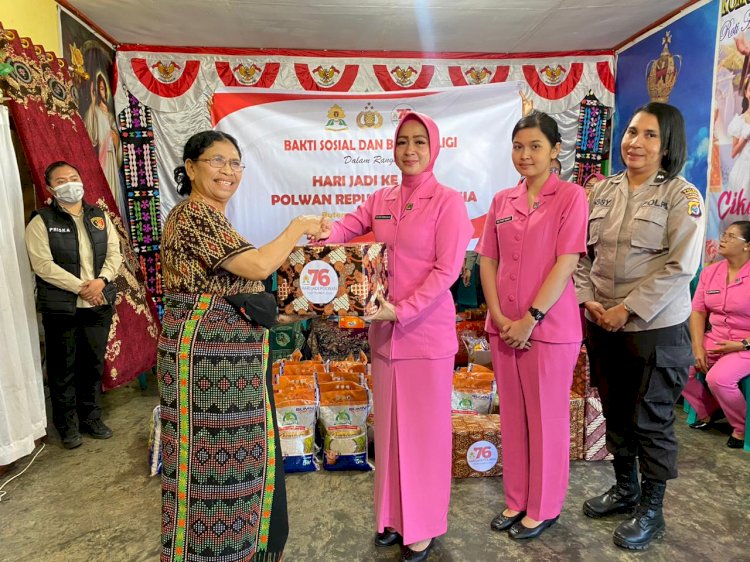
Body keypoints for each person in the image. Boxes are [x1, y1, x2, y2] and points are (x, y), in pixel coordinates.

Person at [158, 130, 323, 562]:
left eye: (235, 163)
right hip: (207, 372)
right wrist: (298, 227)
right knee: (210, 471)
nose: (228, 171)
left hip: (232, 367)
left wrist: (291, 311)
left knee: (242, 465)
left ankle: (240, 550)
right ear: (191, 168)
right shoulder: (192, 215)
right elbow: (259, 265)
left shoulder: (216, 220)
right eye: (217, 161)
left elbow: (238, 290)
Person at [315, 112, 472, 561]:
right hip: (384, 339)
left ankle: (422, 526)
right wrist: (319, 230)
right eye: (402, 141)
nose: (409, 150)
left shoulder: (448, 203)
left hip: (425, 337)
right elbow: (346, 229)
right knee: (389, 433)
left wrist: (401, 309)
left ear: (434, 147)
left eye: (419, 142)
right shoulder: (382, 197)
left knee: (424, 436)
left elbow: (447, 272)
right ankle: (392, 517)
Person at [574, 102, 706, 550]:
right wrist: (587, 300)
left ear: (667, 144)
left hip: (654, 329)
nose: (636, 142)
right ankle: (625, 489)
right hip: (602, 322)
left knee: (651, 420)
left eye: (649, 135)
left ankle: (652, 509)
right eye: (632, 132)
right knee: (614, 412)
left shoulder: (681, 196)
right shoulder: (602, 191)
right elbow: (581, 255)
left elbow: (680, 267)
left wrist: (626, 309)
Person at [476, 111, 588, 540]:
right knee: (514, 418)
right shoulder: (502, 200)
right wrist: (501, 316)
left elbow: (567, 262)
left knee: (546, 418)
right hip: (503, 327)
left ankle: (543, 507)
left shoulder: (571, 197)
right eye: (518, 146)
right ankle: (516, 497)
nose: (525, 154)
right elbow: (488, 259)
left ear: (556, 150)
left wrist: (530, 318)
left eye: (535, 146)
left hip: (549, 330)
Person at [25, 161, 122, 449]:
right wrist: (82, 287)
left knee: (91, 365)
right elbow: (43, 265)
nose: (70, 183)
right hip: (63, 307)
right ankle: (66, 425)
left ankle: (91, 418)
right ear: (50, 187)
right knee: (62, 367)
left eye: (74, 177)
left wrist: (101, 281)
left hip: (98, 303)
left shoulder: (99, 216)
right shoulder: (41, 221)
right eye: (62, 180)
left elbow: (114, 254)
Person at [683, 220, 750, 448]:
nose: (724, 239)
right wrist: (698, 346)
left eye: (731, 236)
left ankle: (742, 427)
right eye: (724, 234)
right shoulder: (710, 272)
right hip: (717, 338)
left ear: (747, 246)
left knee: (718, 378)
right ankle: (710, 409)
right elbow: (698, 311)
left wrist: (742, 344)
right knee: (675, 367)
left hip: (745, 343)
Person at [84, 73, 122, 200]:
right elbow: (91, 134)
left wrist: (114, 136)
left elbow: (115, 131)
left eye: (103, 88)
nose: (102, 92)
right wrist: (93, 101)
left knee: (115, 188)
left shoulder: (110, 113)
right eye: (99, 88)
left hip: (112, 153)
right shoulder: (94, 110)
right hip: (102, 153)